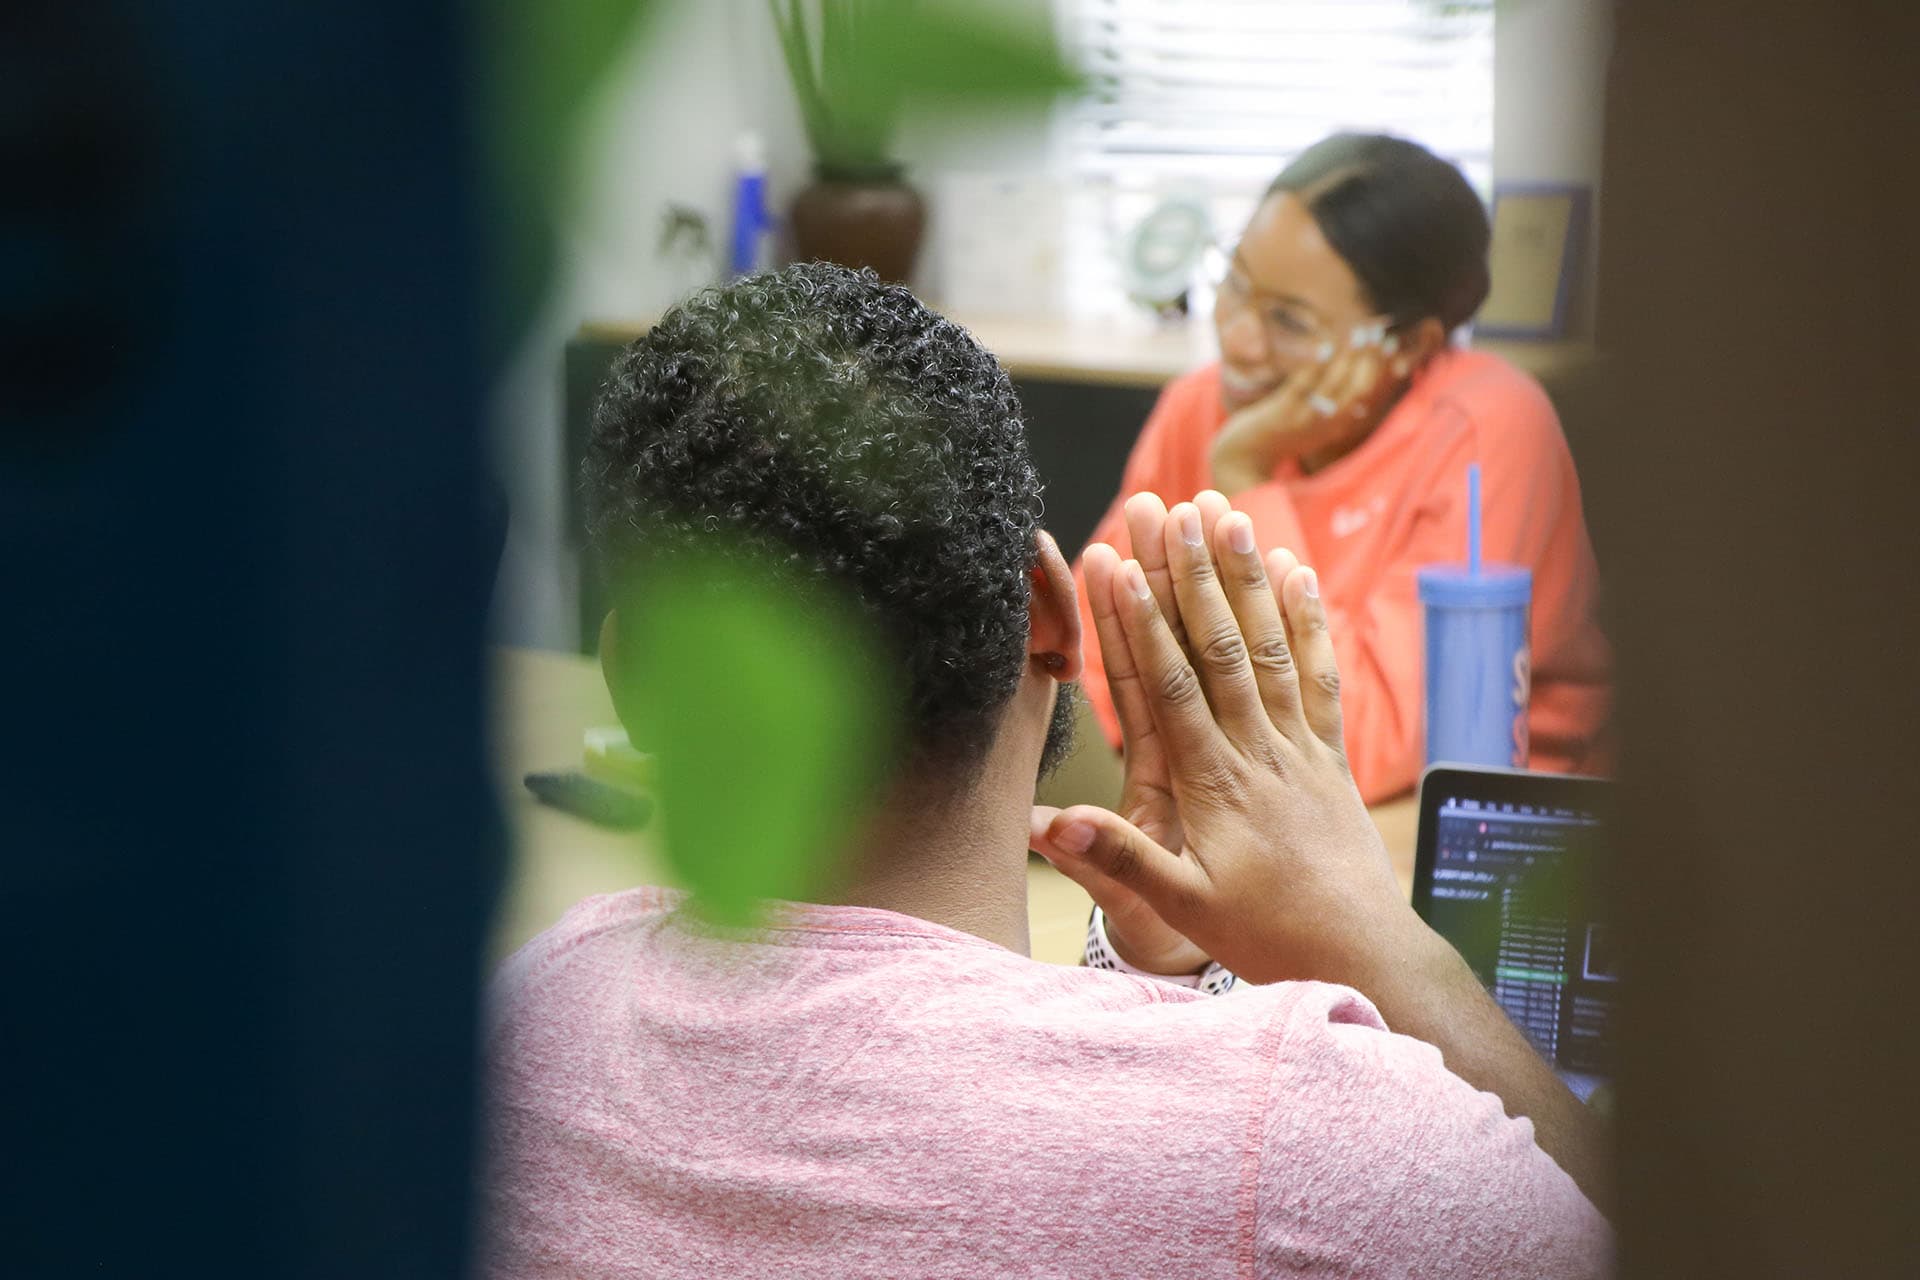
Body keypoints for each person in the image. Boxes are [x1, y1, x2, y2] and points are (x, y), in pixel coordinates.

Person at [482, 263, 1610, 1278]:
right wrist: (1379, 940)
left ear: (635, 678)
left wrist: (1149, 984)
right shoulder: (1308, 1137)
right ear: (1048, 614)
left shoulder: (520, 1023)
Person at [1072, 133, 1612, 804]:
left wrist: (1247, 473)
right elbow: (1083, 659)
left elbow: (1360, 748)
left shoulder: (1489, 430)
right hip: (1231, 803)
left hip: (1455, 827)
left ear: (1407, 344)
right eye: (1235, 285)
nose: (1238, 339)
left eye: (1290, 322)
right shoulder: (1201, 404)